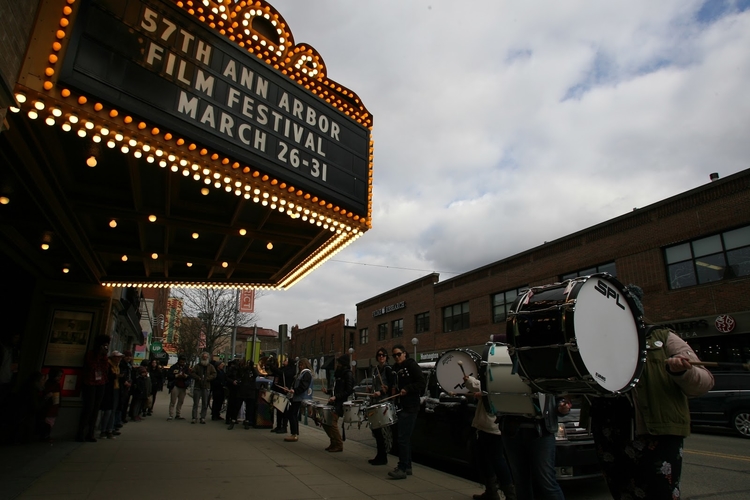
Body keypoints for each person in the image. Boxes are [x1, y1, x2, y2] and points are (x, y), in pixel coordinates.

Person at [588, 285, 715, 500]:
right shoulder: (599, 344)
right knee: (622, 493)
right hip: (610, 432)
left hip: (654, 433)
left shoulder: (663, 337)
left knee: (659, 494)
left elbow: (704, 382)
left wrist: (683, 371)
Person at [500, 394, 568, 500]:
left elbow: (558, 395)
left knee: (547, 480)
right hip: (512, 430)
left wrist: (561, 406)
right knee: (520, 481)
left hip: (541, 431)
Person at [464, 373, 516, 500]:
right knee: (485, 460)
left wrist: (471, 381)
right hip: (486, 426)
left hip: (492, 426)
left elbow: (484, 388)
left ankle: (510, 495)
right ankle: (491, 492)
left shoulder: (502, 378)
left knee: (497, 461)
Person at [387, 344, 426, 479]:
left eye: (399, 354)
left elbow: (422, 382)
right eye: (394, 355)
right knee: (404, 438)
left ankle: (402, 468)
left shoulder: (411, 365)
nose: (397, 357)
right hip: (400, 406)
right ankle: (407, 466)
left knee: (402, 439)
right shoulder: (395, 368)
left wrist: (408, 389)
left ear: (404, 353)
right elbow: (395, 384)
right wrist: (392, 389)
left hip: (410, 406)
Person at [76, 334, 110, 442]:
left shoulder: (104, 356)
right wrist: (99, 355)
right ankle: (81, 432)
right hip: (90, 382)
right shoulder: (91, 354)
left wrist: (103, 356)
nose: (106, 347)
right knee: (88, 408)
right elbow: (91, 365)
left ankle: (90, 433)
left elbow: (105, 368)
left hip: (101, 382)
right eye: (104, 345)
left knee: (96, 408)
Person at [368, 347, 396, 465]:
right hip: (375, 402)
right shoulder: (376, 370)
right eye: (379, 355)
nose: (381, 357)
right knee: (376, 431)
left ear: (386, 357)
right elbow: (376, 385)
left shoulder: (388, 369)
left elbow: (392, 386)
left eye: (383, 355)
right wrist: (371, 389)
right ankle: (380, 455)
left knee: (383, 432)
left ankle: (383, 456)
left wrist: (383, 391)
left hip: (384, 403)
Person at [321, 354, 354, 452]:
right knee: (325, 421)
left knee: (332, 422)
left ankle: (338, 444)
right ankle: (333, 442)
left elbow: (348, 390)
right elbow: (336, 388)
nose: (337, 364)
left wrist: (336, 397)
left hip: (340, 403)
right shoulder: (338, 374)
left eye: (339, 363)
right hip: (334, 401)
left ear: (343, 364)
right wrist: (327, 391)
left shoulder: (348, 374)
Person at [283, 357, 313, 442]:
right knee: (292, 414)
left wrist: (295, 390)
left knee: (292, 414)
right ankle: (294, 433)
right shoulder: (301, 374)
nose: (300, 366)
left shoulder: (306, 374)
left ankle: (294, 434)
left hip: (300, 397)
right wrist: (290, 389)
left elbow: (303, 386)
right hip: (297, 397)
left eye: (302, 364)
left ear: (306, 365)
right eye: (299, 364)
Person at [227, 359, 260, 430]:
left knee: (249, 408)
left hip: (250, 391)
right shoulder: (241, 370)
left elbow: (256, 375)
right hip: (242, 390)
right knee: (237, 407)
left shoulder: (252, 371)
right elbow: (237, 375)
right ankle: (233, 420)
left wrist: (252, 367)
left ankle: (247, 421)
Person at [98, 351, 123, 439]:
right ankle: (103, 430)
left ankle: (110, 430)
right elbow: (107, 376)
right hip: (109, 389)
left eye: (120, 357)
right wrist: (116, 376)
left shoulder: (117, 366)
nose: (119, 359)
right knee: (108, 411)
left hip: (115, 388)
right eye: (117, 357)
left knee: (113, 411)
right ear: (112, 357)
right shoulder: (108, 365)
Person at [190, 352, 217, 424]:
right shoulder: (197, 366)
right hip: (197, 386)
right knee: (196, 403)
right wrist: (197, 378)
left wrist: (208, 378)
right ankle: (194, 417)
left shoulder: (210, 366)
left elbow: (214, 374)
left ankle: (203, 417)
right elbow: (192, 373)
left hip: (206, 386)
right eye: (203, 357)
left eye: (206, 357)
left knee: (205, 403)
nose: (204, 358)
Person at [39, 368, 63, 442]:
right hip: (51, 407)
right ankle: (45, 436)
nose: (59, 378)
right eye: (58, 376)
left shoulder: (51, 384)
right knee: (48, 423)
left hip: (51, 407)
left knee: (49, 422)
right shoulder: (53, 385)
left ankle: (45, 436)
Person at [167, 355, 191, 420]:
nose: (182, 362)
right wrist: (176, 376)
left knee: (181, 401)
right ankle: (171, 415)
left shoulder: (186, 368)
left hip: (183, 386)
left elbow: (189, 376)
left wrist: (186, 376)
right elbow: (169, 376)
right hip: (175, 385)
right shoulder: (173, 367)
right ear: (179, 360)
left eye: (184, 361)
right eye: (181, 361)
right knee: (173, 401)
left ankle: (178, 414)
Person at [117, 351, 134, 426]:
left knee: (125, 402)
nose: (129, 358)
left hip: (127, 386)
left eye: (130, 356)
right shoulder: (122, 364)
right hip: (122, 386)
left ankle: (122, 418)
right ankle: (119, 420)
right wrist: (124, 381)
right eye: (127, 356)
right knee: (121, 403)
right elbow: (121, 375)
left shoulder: (129, 365)